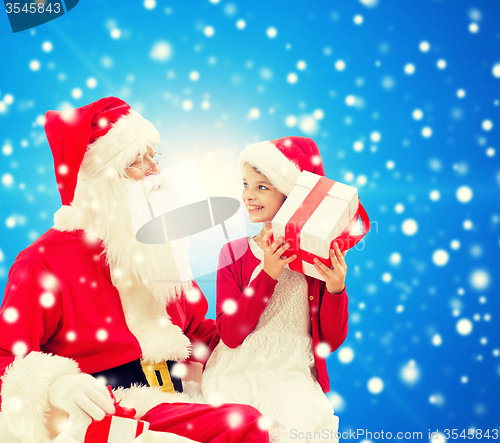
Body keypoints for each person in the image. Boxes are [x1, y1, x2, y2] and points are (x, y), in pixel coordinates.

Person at [0, 97, 269, 443]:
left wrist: (261, 345)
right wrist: (57, 384)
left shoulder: (159, 245)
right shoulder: (43, 261)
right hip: (115, 407)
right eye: (135, 162)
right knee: (244, 424)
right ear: (100, 181)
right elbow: (5, 359)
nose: (154, 171)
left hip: (176, 395)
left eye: (152, 156)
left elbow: (197, 330)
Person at [201, 137, 349, 442]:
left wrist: (336, 290)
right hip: (239, 371)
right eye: (245, 184)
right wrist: (268, 273)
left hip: (293, 374)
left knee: (298, 427)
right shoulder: (235, 252)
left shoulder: (318, 260)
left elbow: (329, 341)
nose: (248, 196)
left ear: (292, 196)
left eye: (262, 187)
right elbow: (230, 334)